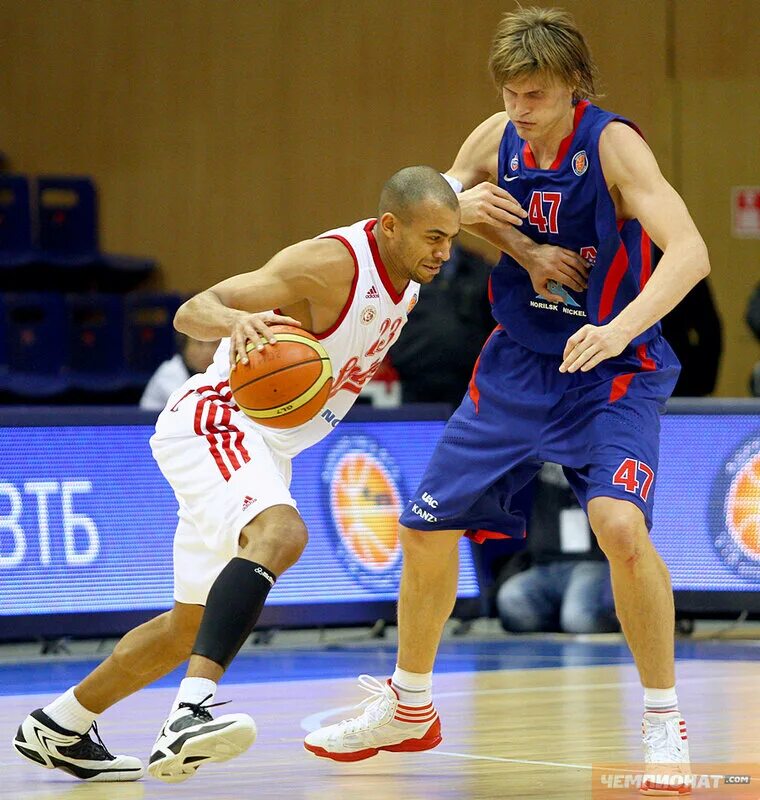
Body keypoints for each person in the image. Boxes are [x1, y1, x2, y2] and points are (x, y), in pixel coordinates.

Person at [304, 8, 709, 794]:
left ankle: (664, 725)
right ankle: (409, 706)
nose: (519, 109)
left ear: (574, 88)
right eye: (510, 94)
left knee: (619, 526)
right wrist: (506, 238)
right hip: (522, 359)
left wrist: (618, 328)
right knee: (426, 524)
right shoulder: (496, 139)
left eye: (535, 96)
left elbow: (690, 249)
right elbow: (434, 217)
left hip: (611, 367)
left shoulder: (615, 145)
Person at [13, 165, 487, 783]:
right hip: (218, 418)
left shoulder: (419, 243)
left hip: (266, 445)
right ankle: (190, 716)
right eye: (432, 238)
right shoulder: (331, 263)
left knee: (189, 627)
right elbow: (191, 311)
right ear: (390, 226)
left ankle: (60, 725)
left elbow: (464, 165)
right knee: (283, 536)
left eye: (450, 237)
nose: (443, 253)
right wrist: (235, 322)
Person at [496, 462, 618, 635]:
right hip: (544, 565)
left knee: (578, 619)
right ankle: (562, 619)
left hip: (591, 563)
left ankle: (621, 620)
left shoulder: (604, 454)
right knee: (510, 600)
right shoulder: (541, 450)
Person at [391, 242, 496, 407]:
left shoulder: (480, 268)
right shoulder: (407, 269)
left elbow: (494, 325)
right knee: (417, 430)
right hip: (415, 379)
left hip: (469, 382)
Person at [139, 333, 220, 410]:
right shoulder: (170, 371)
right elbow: (190, 407)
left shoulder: (220, 372)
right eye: (199, 343)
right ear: (184, 346)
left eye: (214, 344)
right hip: (149, 422)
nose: (207, 351)